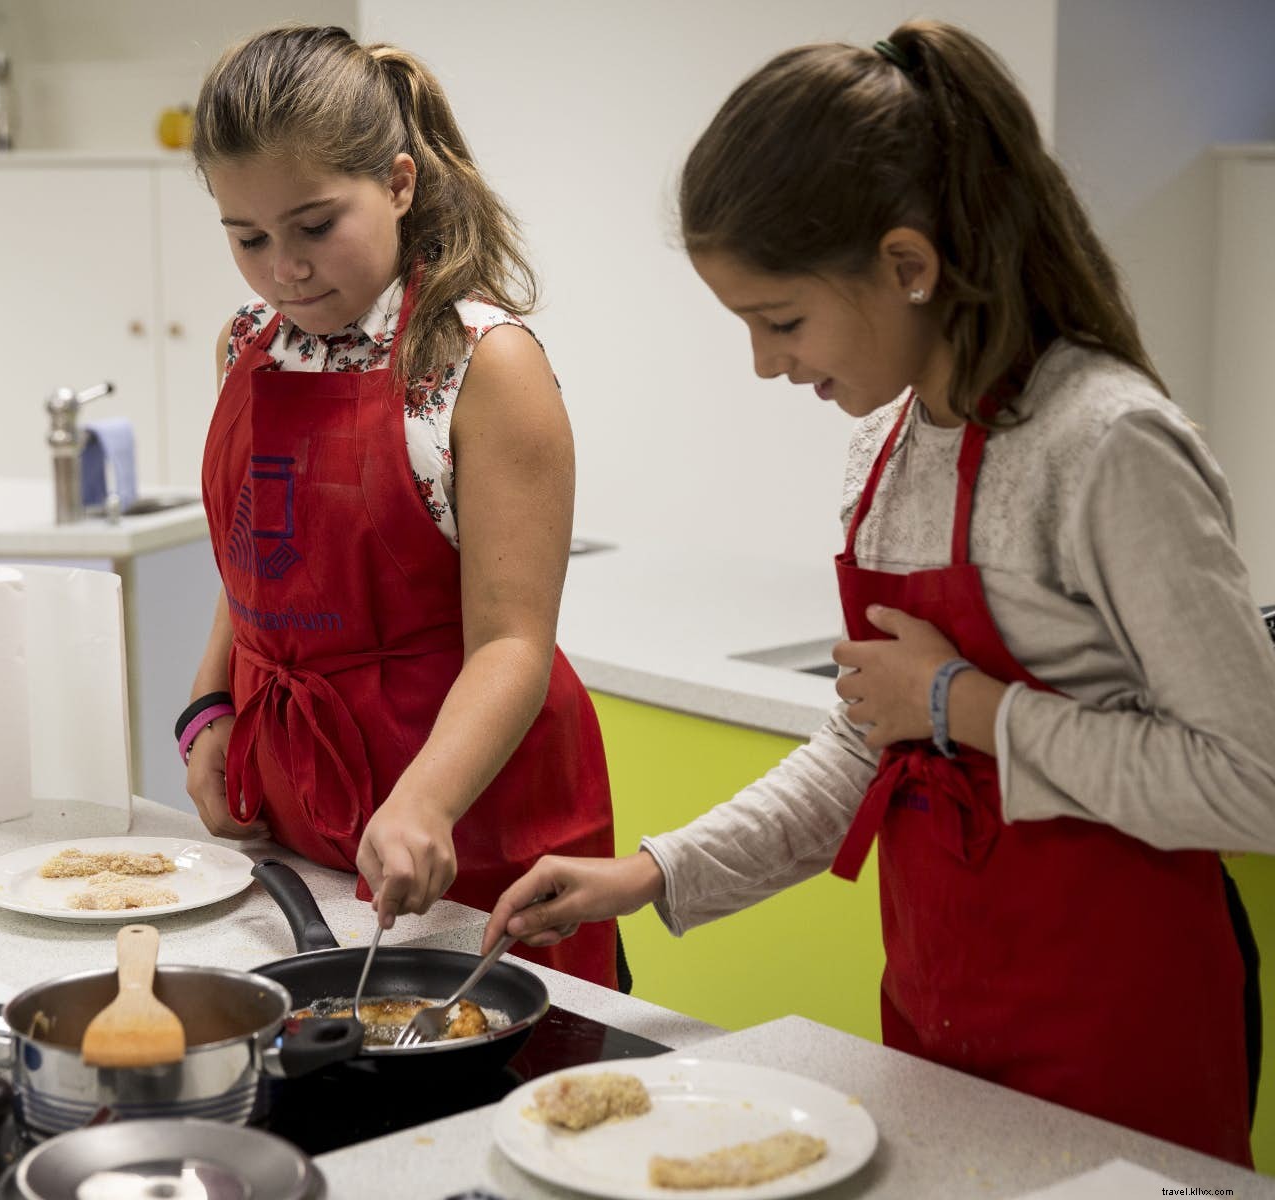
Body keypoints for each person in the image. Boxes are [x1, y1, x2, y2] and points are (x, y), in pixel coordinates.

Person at [482, 20, 1275, 1163]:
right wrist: (652, 873)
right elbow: (870, 746)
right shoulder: (886, 452)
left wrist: (963, 705)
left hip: (1119, 1037)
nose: (765, 363)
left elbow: (1250, 781)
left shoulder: (1105, 444)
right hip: (941, 1018)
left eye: (781, 321)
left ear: (909, 266)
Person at [178, 24, 621, 988]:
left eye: (314, 226)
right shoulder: (248, 343)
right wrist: (210, 704)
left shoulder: (482, 364)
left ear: (400, 184)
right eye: (247, 238)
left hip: (476, 822)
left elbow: (514, 644)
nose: (284, 269)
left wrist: (426, 800)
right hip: (301, 808)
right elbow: (258, 555)